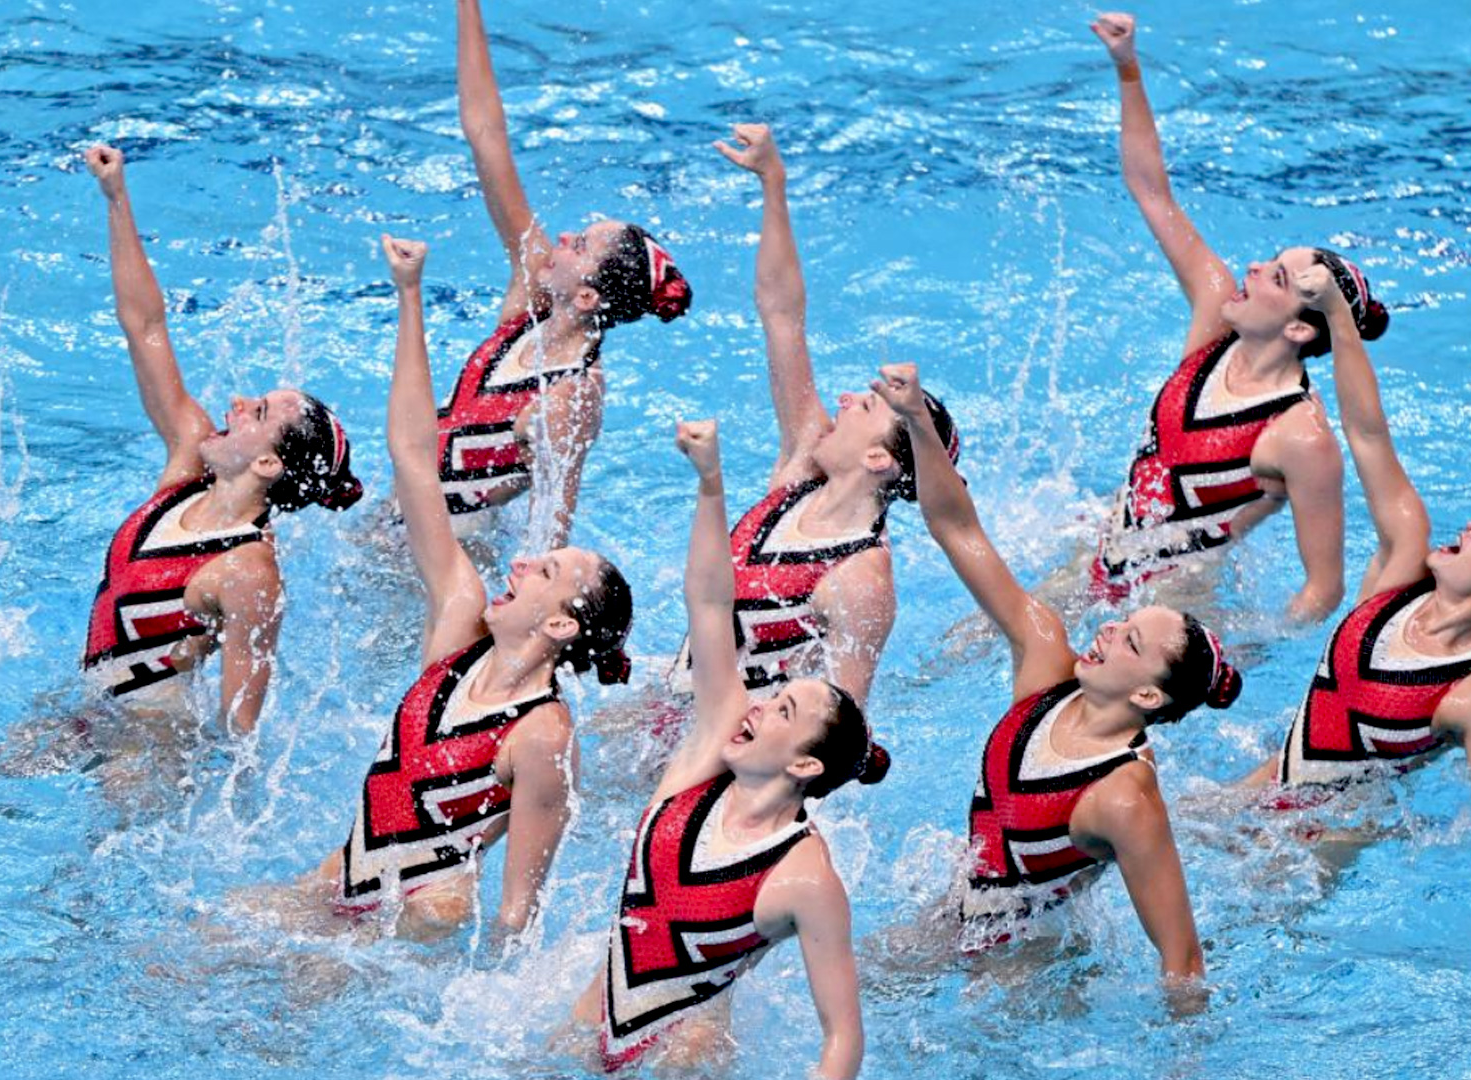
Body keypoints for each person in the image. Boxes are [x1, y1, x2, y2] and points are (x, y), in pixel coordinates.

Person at [873, 363, 1232, 1012]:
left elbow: (1182, 957)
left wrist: (1183, 1055)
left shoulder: (1123, 800)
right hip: (953, 910)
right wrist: (920, 425)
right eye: (1122, 623)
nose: (1108, 631)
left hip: (1025, 972)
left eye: (1130, 643)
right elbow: (958, 529)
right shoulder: (1045, 657)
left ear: (1148, 696)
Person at [305, 236, 634, 940]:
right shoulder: (459, 624)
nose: (519, 563)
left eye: (543, 572)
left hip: (421, 913)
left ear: (562, 626)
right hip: (342, 874)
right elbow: (411, 458)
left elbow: (518, 909)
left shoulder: (544, 734)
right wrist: (409, 294)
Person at [1238, 263, 1471, 936]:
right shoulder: (1399, 575)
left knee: (1233, 940)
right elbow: (1368, 435)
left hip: (1321, 844)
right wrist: (1338, 314)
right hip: (1256, 790)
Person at [575, 419, 882, 1078]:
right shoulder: (699, 769)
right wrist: (710, 483)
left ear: (804, 764)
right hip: (584, 1022)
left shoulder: (804, 876)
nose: (762, 704)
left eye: (785, 711)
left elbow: (842, 1041)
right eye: (775, 698)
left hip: (681, 1059)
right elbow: (712, 603)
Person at [1082, 13, 1391, 621]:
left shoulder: (1300, 437)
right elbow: (1152, 191)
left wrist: (1247, 650)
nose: (1252, 268)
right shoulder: (1214, 322)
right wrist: (1127, 68)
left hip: (1170, 607)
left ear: (1301, 327)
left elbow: (1322, 589)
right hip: (1099, 554)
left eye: (1276, 277)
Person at [661, 124, 960, 703]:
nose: (844, 401)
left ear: (879, 458)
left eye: (865, 405)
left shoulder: (861, 580)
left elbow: (837, 730)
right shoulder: (801, 468)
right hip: (666, 715)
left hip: (730, 762)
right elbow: (781, 315)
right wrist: (774, 185)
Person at [79, 145, 362, 735]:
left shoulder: (249, 570)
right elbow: (145, 326)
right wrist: (116, 198)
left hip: (148, 744)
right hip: (84, 709)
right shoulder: (187, 468)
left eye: (256, 411)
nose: (236, 403)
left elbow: (241, 727)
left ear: (266, 461)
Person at [433, 0, 692, 546]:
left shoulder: (573, 395)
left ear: (587, 295)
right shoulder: (531, 305)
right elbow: (486, 134)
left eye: (581, 244)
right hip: (391, 530)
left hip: (443, 563)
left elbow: (552, 521)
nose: (565, 238)